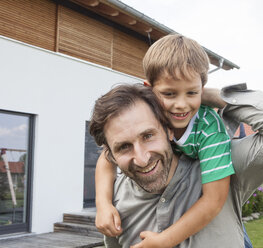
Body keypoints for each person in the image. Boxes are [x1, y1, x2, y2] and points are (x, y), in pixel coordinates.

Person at [89, 83, 263, 247]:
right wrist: (102, 202)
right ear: (111, 153)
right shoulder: (112, 205)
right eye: (124, 147)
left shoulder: (221, 165)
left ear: (168, 128)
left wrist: (194, 93)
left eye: (148, 136)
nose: (142, 158)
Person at [95, 34, 238, 248]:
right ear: (149, 89)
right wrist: (103, 204)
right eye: (170, 93)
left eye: (191, 92)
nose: (181, 105)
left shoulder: (210, 131)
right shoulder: (152, 114)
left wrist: (164, 241)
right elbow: (107, 158)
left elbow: (213, 201)